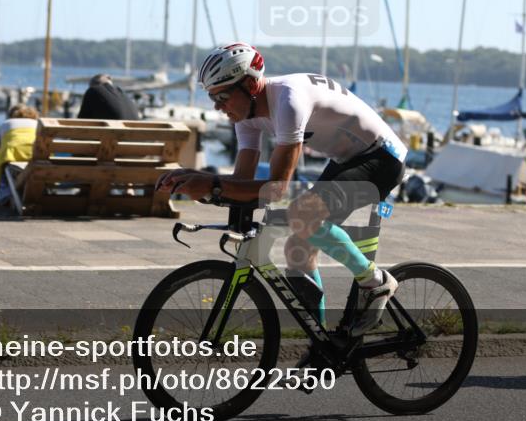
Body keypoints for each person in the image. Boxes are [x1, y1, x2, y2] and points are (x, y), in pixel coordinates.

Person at [156, 43, 407, 337]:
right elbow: (242, 182)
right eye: (212, 98)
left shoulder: (288, 100)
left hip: (381, 157)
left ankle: (375, 282)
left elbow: (274, 190)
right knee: (297, 251)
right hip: (345, 159)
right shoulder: (245, 116)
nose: (216, 106)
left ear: (250, 84)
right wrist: (198, 182)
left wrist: (210, 183)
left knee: (303, 214)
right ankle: (321, 345)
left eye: (222, 96)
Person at [0, 104, 39, 204]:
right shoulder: (36, 123)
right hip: (35, 156)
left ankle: (6, 195)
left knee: (0, 164)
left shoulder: (6, 124)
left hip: (12, 155)